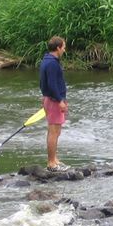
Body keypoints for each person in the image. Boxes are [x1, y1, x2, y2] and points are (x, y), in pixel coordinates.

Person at [39, 36, 69, 171]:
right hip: (54, 100)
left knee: (56, 132)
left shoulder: (47, 60)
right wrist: (59, 100)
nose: (64, 49)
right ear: (58, 48)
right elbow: (51, 84)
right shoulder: (52, 63)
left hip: (50, 99)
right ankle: (51, 163)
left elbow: (43, 82)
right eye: (63, 47)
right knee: (53, 131)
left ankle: (54, 159)